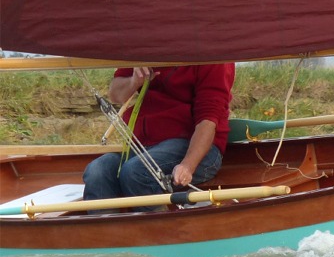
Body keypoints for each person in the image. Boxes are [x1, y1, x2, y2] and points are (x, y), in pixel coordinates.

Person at [82, 64, 235, 212]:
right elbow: (116, 94)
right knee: (97, 171)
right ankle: (108, 236)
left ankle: (160, 234)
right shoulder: (147, 45)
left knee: (136, 172)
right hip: (145, 147)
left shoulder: (212, 53)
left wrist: (187, 165)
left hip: (197, 148)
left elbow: (208, 121)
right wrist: (135, 81)